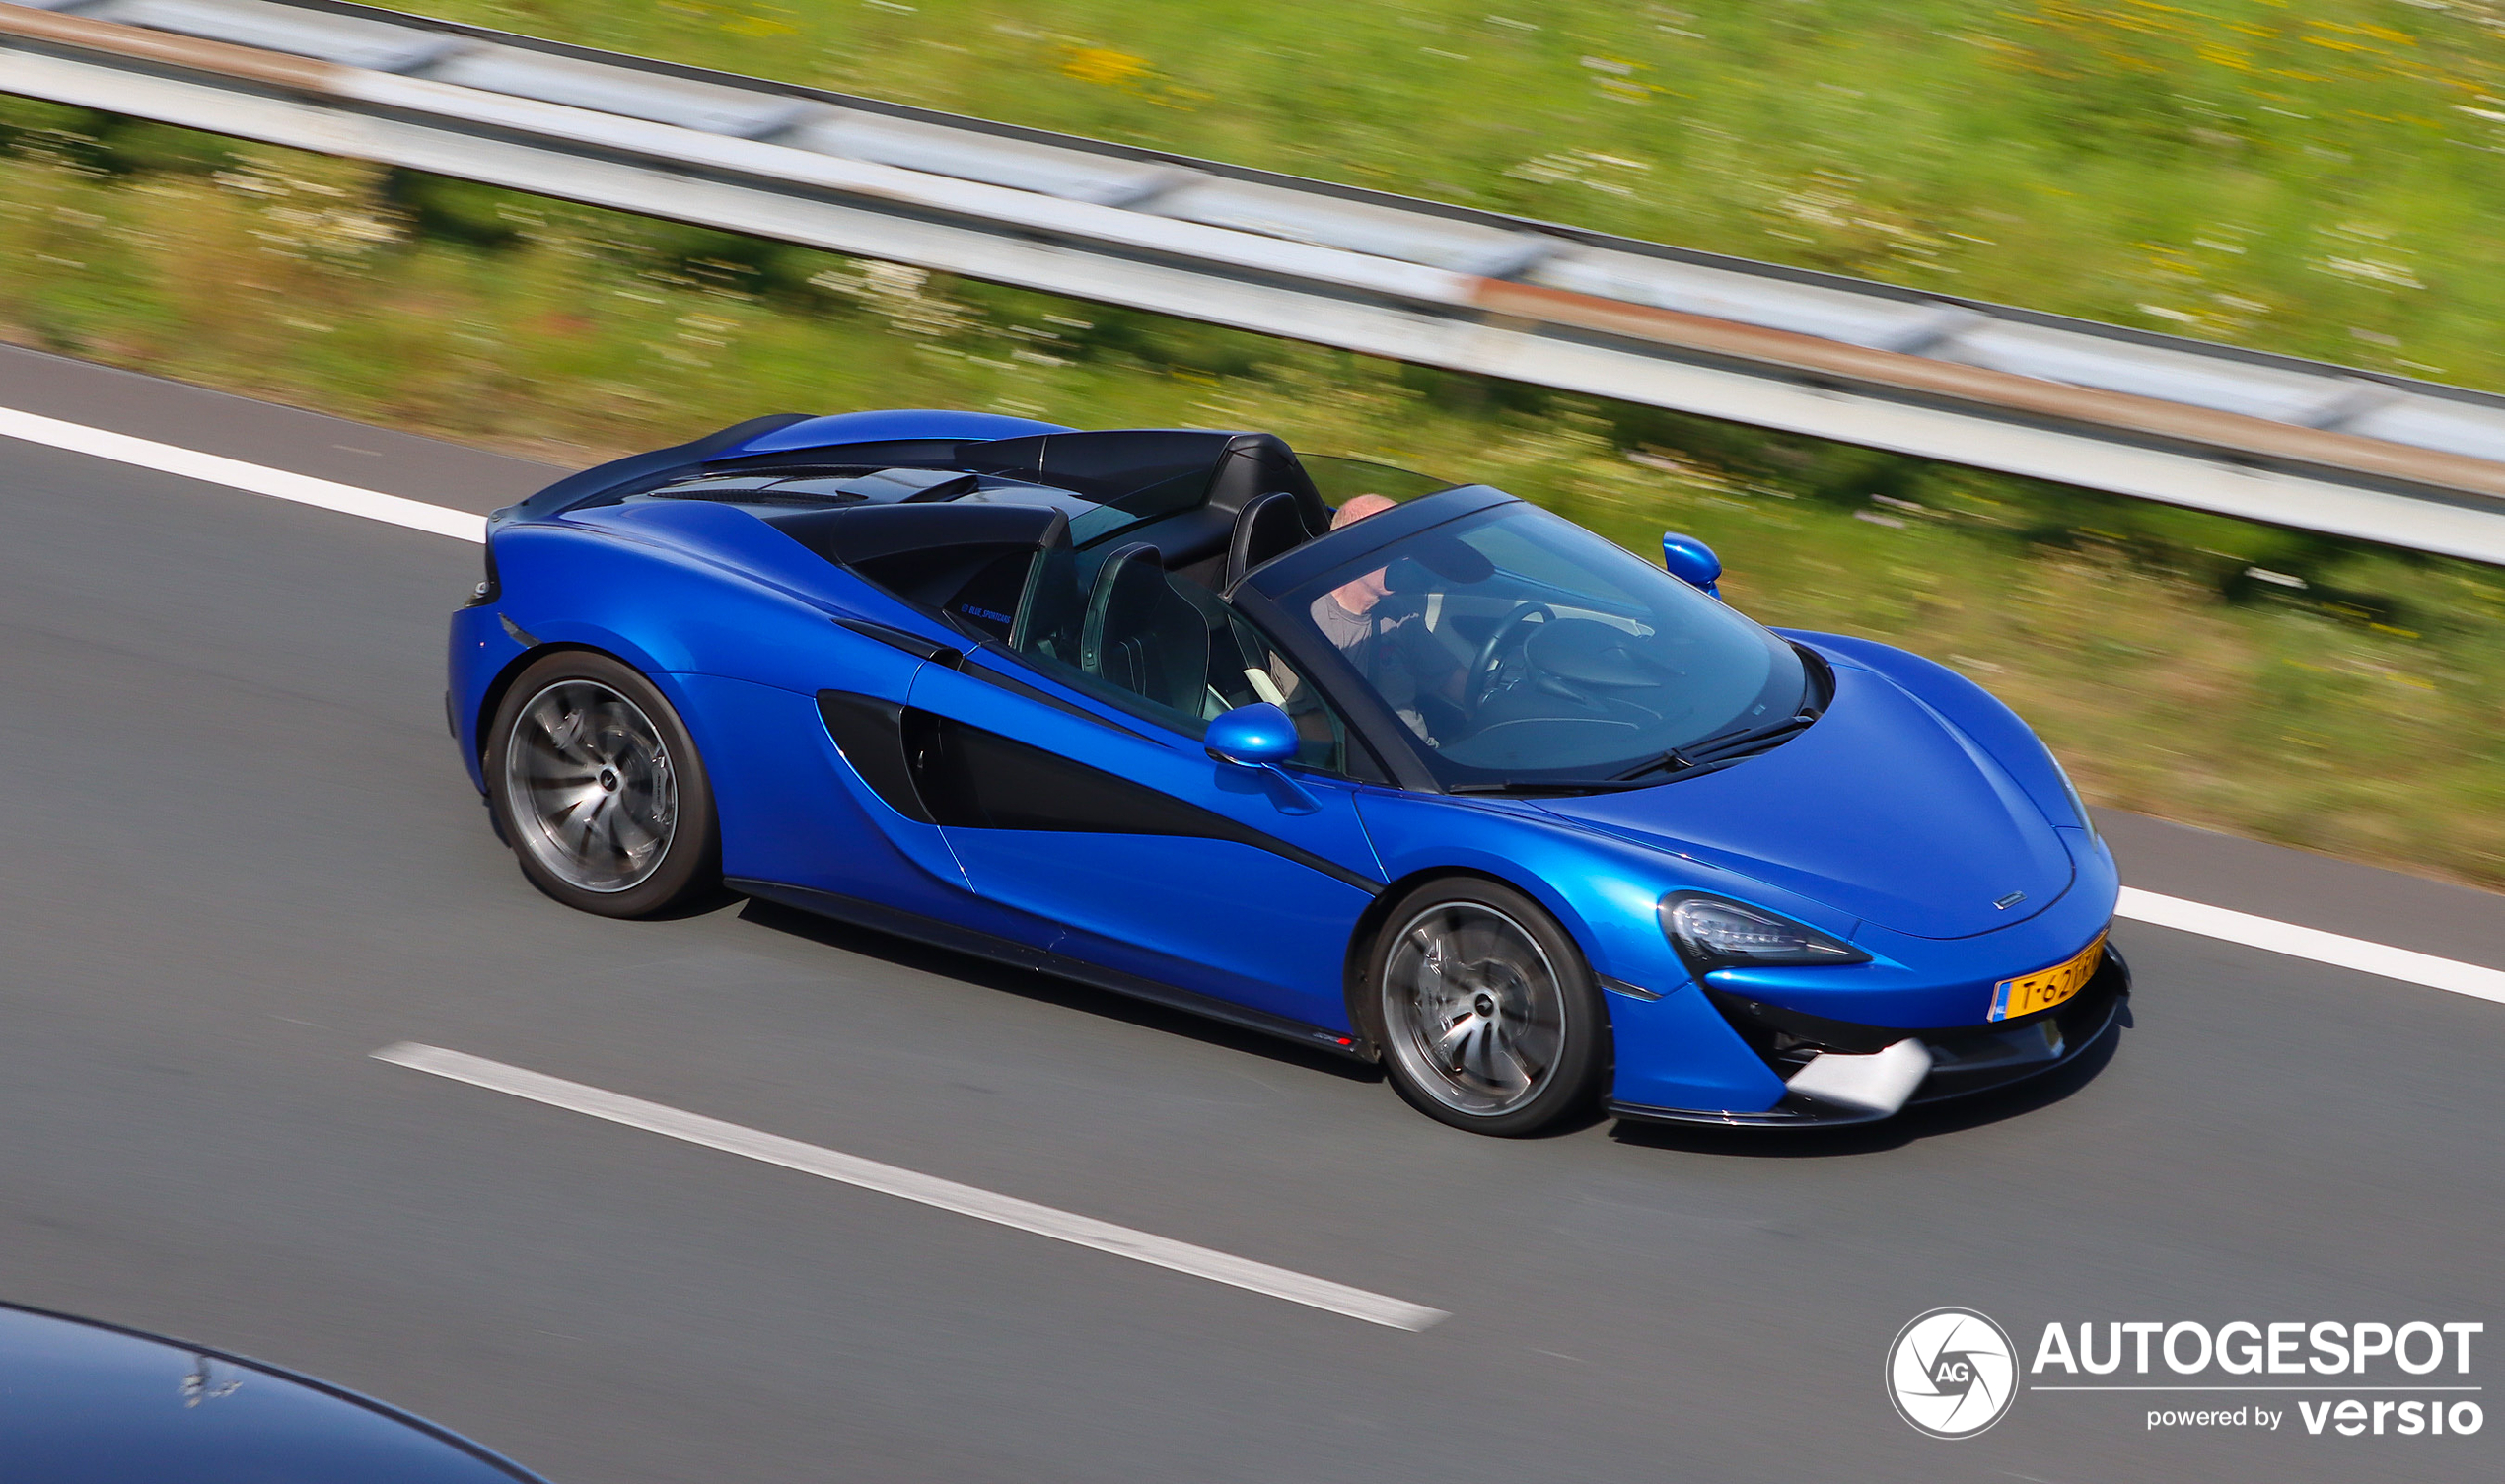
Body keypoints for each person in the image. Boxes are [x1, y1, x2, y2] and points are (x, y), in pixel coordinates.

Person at [1307, 494, 1465, 742]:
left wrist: (1505, 700)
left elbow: (1453, 680)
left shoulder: (1398, 613)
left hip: (1429, 758)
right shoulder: (1309, 623)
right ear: (1350, 550)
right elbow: (1305, 726)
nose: (1404, 557)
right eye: (1391, 544)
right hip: (1381, 773)